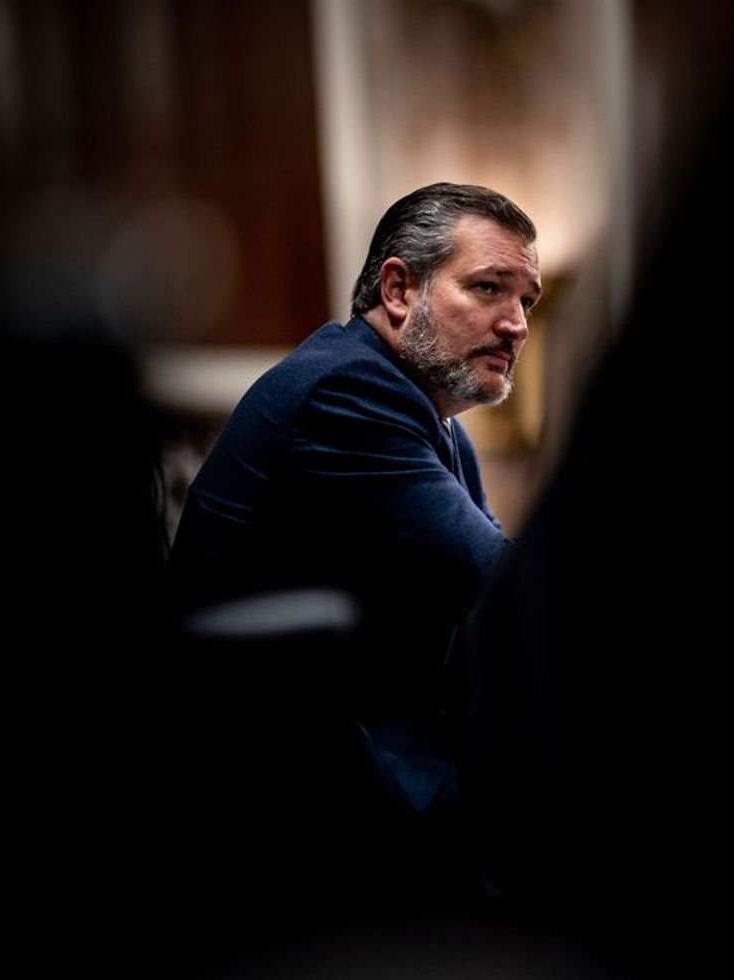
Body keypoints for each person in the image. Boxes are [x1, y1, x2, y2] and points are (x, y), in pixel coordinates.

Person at [168, 182, 540, 861]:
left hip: (375, 732)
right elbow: (496, 581)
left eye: (527, 301)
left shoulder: (435, 420)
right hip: (289, 771)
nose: (516, 324)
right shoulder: (347, 391)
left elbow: (486, 599)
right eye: (489, 288)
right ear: (398, 290)